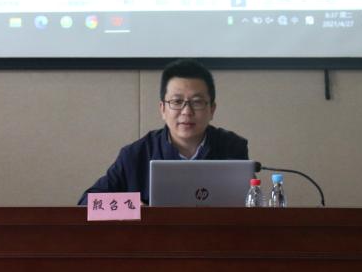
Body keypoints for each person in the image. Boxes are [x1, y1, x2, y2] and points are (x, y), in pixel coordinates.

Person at [78, 59, 248, 205]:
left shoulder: (232, 148)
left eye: (197, 102)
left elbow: (249, 206)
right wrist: (131, 207)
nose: (186, 111)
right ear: (163, 109)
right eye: (177, 101)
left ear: (212, 109)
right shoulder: (137, 154)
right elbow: (87, 204)